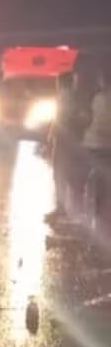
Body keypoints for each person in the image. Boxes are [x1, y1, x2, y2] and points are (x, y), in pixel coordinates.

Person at [48, 72, 88, 224]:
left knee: (61, 174)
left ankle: (63, 209)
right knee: (67, 175)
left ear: (62, 83)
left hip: (64, 141)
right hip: (69, 140)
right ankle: (66, 209)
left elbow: (61, 118)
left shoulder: (65, 96)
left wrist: (52, 136)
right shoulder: (73, 96)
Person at [81, 68, 111, 235]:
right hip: (107, 145)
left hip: (96, 144)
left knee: (95, 177)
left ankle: (96, 211)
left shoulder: (98, 98)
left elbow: (92, 118)